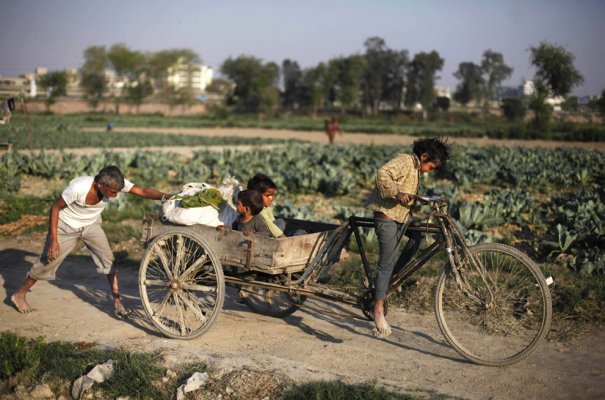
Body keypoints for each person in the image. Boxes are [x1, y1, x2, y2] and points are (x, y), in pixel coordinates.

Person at [11, 166, 169, 318]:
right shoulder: (78, 188)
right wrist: (54, 239)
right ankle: (20, 294)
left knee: (108, 260)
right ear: (100, 184)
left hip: (90, 225)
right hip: (66, 227)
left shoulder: (115, 183)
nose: (115, 195)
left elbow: (141, 191)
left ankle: (117, 302)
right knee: (47, 263)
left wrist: (165, 196)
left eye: (117, 191)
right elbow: (55, 208)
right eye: (112, 192)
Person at [365, 137, 450, 336]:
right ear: (424, 156)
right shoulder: (405, 161)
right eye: (431, 166)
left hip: (401, 218)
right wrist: (397, 193)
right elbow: (382, 174)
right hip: (386, 218)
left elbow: (408, 190)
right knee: (386, 262)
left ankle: (392, 279)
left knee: (418, 236)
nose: (430, 170)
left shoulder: (416, 168)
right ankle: (377, 310)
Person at [247, 173, 286, 238]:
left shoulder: (265, 207)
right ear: (256, 196)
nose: (271, 198)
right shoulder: (258, 210)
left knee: (280, 222)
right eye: (268, 195)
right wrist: (283, 237)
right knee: (280, 224)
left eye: (272, 195)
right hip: (263, 233)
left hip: (269, 230)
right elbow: (270, 225)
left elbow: (272, 222)